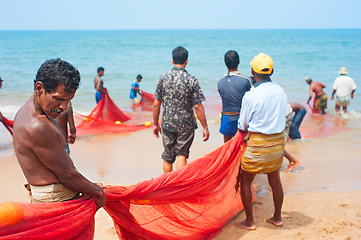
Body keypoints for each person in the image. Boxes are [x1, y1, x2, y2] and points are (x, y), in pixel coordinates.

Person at [13, 58, 106, 209]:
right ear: (39, 88)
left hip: (49, 194)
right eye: (58, 99)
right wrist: (97, 192)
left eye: (69, 101)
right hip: (56, 197)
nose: (64, 107)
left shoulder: (27, 111)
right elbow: (67, 176)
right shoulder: (37, 126)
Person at [235, 53, 288, 230]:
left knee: (246, 182)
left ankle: (250, 221)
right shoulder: (280, 91)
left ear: (252, 71)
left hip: (257, 146)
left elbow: (242, 125)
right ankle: (278, 217)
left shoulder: (251, 96)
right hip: (277, 145)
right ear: (271, 71)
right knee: (275, 181)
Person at [153, 46, 210, 173]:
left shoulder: (162, 78)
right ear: (186, 61)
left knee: (168, 156)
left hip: (167, 123)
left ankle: (167, 187)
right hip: (186, 124)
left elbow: (156, 104)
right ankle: (179, 186)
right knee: (182, 154)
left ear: (172, 61)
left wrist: (155, 124)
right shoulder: (192, 80)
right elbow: (198, 106)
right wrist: (205, 127)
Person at [217, 50, 252, 143]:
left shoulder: (220, 82)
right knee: (243, 148)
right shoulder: (246, 80)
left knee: (228, 148)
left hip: (226, 119)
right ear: (238, 61)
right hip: (242, 119)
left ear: (225, 63)